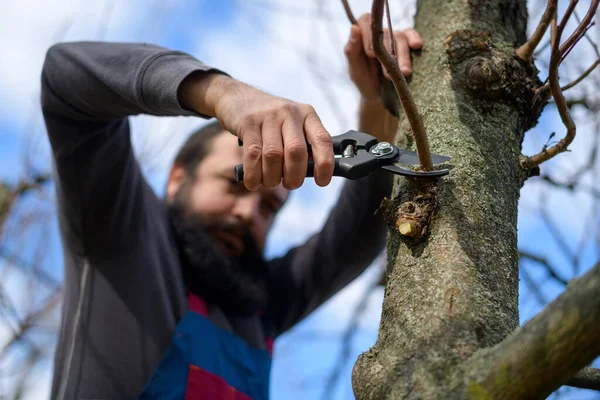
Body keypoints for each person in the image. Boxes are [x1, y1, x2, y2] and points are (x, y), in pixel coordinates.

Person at [41, 13, 422, 400]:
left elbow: (358, 233)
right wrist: (224, 94)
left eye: (269, 208)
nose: (247, 214)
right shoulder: (123, 231)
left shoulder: (262, 301)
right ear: (177, 179)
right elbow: (65, 78)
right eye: (235, 183)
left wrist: (378, 97)